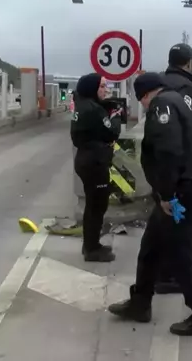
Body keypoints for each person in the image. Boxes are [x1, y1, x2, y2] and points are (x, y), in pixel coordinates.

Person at [108, 72, 192, 336]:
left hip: (178, 195)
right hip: (177, 192)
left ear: (145, 95)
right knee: (151, 250)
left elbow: (168, 152)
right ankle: (140, 302)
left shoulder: (163, 106)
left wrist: (167, 195)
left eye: (141, 101)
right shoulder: (180, 101)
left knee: (181, 258)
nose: (143, 107)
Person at [155, 42, 192, 294]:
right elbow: (187, 130)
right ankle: (173, 277)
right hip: (181, 170)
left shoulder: (161, 83)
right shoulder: (185, 88)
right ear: (188, 62)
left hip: (162, 170)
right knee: (182, 230)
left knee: (165, 226)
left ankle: (162, 274)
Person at [70, 73, 121, 262]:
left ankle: (91, 244)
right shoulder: (92, 110)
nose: (106, 90)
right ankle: (91, 249)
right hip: (94, 163)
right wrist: (115, 115)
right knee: (96, 206)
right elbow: (111, 132)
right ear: (92, 88)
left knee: (95, 205)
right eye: (102, 86)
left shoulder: (83, 105)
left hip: (88, 160)